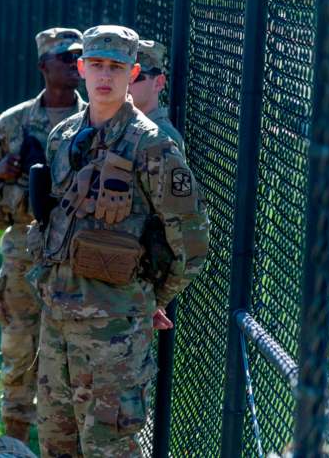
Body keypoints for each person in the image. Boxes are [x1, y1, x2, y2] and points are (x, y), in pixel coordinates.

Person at [34, 25, 209, 457]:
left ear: (133, 73)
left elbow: (192, 241)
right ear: (81, 68)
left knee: (109, 447)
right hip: (56, 322)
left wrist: (153, 297)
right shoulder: (63, 137)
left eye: (116, 67)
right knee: (57, 443)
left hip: (115, 333)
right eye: (96, 65)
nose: (105, 76)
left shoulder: (154, 146)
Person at [0, 27, 86, 444]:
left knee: (73, 360)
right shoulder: (14, 123)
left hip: (77, 260)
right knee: (19, 353)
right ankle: (16, 444)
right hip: (23, 254)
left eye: (79, 56)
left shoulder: (95, 122)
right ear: (43, 66)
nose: (74, 64)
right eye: (64, 57)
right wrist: (0, 172)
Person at [127, 39, 185, 153]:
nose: (125, 83)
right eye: (122, 75)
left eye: (135, 77)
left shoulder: (162, 136)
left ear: (158, 83)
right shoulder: (122, 123)